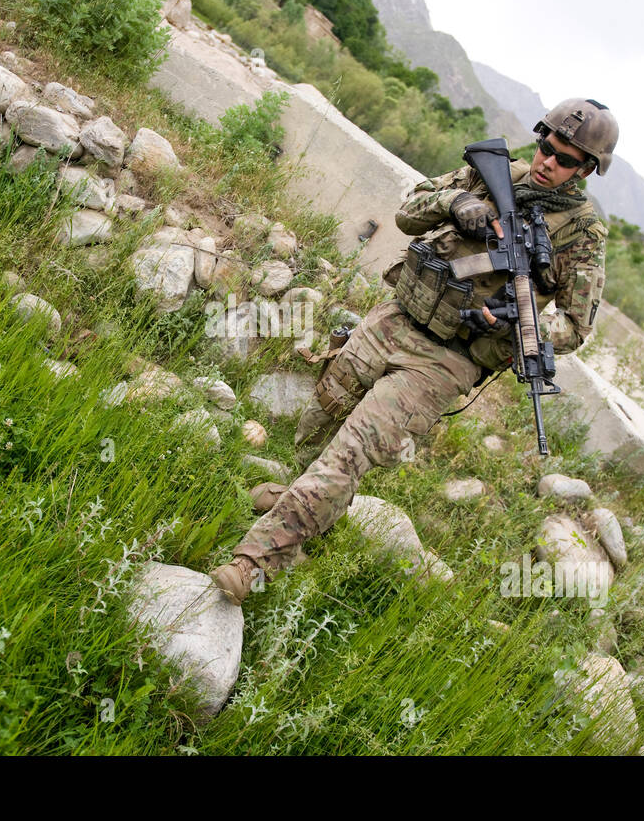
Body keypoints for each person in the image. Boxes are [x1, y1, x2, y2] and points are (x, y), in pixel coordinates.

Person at [210, 99, 619, 606]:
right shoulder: (492, 172)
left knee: (351, 452)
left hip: (449, 357)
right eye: (545, 147)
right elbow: (408, 212)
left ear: (586, 170)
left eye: (563, 160)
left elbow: (576, 327)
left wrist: (518, 323)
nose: (546, 162)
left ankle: (256, 562)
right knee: (322, 416)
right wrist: (453, 204)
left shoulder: (583, 234)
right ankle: (301, 500)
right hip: (398, 316)